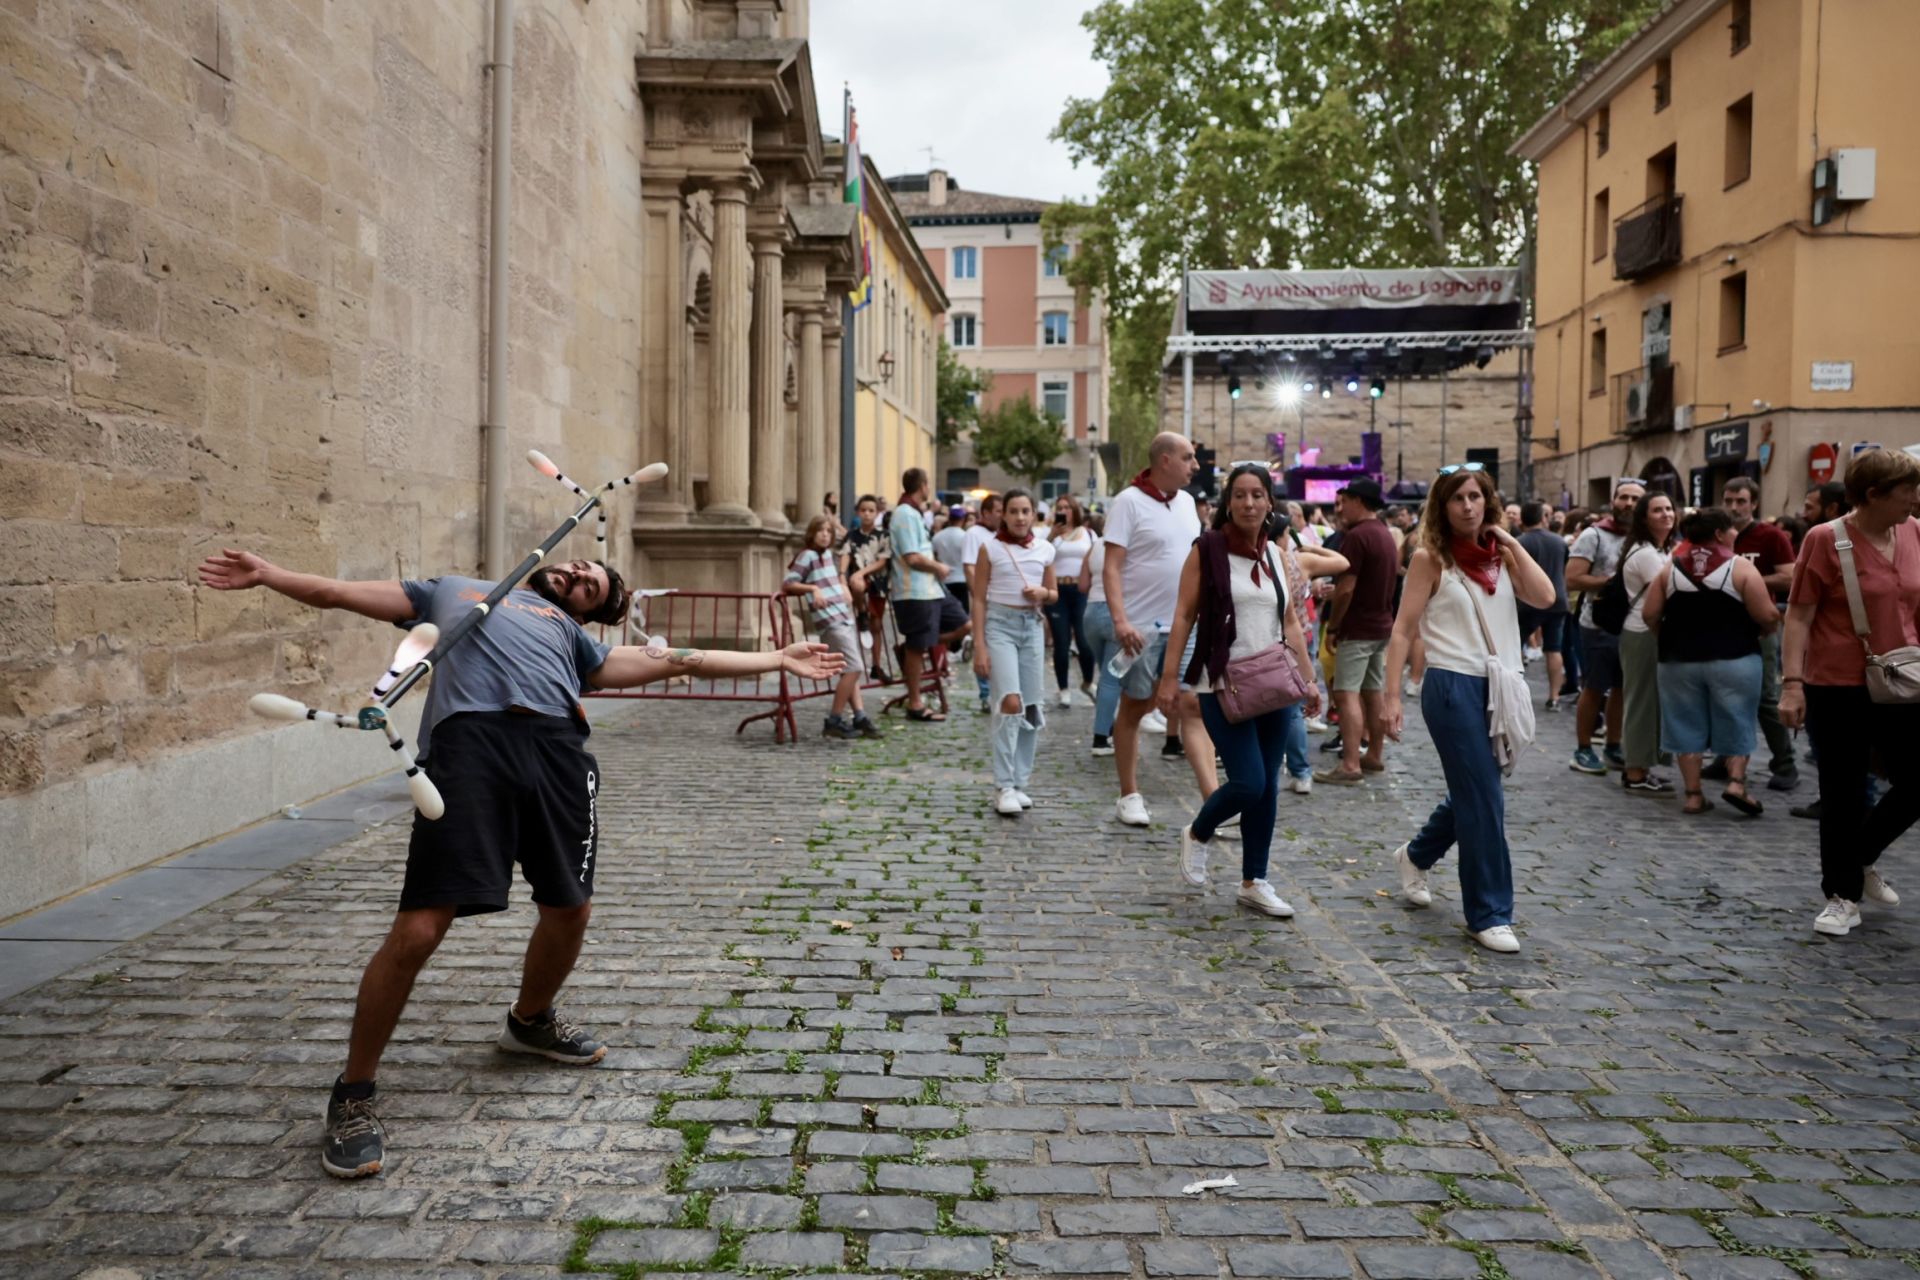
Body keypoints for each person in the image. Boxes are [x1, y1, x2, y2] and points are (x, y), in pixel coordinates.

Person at [196, 546, 841, 1178]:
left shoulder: (576, 642)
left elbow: (685, 659)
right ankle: (354, 1093)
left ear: (584, 614)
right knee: (419, 929)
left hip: (557, 751)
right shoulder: (453, 591)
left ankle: (529, 1024)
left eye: (591, 590)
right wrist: (270, 575)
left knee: (570, 908)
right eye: (584, 568)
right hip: (469, 748)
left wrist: (776, 655)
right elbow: (337, 592)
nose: (581, 576)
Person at [1380, 466, 1556, 953]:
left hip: (1499, 686)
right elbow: (1402, 629)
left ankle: (1415, 856)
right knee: (1484, 797)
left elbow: (1545, 596)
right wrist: (1391, 696)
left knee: (1476, 789)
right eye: (1458, 498)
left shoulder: (1502, 555)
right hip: (1451, 684)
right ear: (1443, 505)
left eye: (1477, 496)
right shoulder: (1430, 558)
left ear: (1489, 502)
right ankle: (1489, 913)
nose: (1468, 506)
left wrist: (1512, 543)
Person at [1157, 465, 1324, 915]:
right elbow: (1182, 616)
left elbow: (1290, 621)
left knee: (1267, 787)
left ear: (1270, 502)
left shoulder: (1273, 553)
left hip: (1273, 684)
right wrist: (1170, 679)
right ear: (1228, 502)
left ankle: (1255, 881)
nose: (1249, 503)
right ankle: (1198, 831)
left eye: (1258, 495)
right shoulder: (1207, 550)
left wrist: (1307, 680)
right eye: (1240, 495)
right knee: (1248, 782)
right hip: (1221, 684)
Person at [1780, 449, 1920, 936]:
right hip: (1836, 684)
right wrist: (1792, 685)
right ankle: (1842, 896)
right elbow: (1798, 615)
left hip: (1904, 681)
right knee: (1842, 792)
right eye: (1908, 490)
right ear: (1874, 495)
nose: (1915, 498)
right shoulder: (1826, 538)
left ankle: (1859, 857)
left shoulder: (1914, 533)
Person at [1641, 508, 1777, 817]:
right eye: (1731, 531)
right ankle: (1736, 785)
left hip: (1678, 661)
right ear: (1719, 534)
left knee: (1683, 723)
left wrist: (1668, 635)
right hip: (1736, 658)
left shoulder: (1670, 568)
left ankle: (1693, 795)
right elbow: (1767, 615)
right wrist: (1769, 630)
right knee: (1738, 717)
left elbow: (1649, 614)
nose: (1734, 535)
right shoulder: (1740, 567)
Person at [1104, 432, 1204, 826]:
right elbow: (1111, 566)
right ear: (1164, 460)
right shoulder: (1128, 502)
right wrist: (1121, 621)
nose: (1195, 465)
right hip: (1141, 630)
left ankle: (1214, 802)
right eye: (1188, 457)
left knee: (1192, 707)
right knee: (1134, 707)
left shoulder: (1189, 503)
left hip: (1186, 625)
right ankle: (1128, 794)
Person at [971, 490, 1059, 815]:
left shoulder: (1045, 549)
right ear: (1002, 515)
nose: (1020, 517)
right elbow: (978, 598)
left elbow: (1054, 594)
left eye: (1026, 511)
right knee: (1010, 701)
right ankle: (1003, 784)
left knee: (1032, 707)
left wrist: (1043, 592)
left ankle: (1021, 782)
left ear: (1034, 514)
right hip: (999, 625)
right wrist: (979, 645)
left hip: (1032, 627)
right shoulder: (990, 548)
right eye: (1013, 511)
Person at [1719, 477, 1800, 791]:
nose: (1734, 507)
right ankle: (1725, 757)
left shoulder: (1770, 536)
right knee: (1726, 697)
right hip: (1725, 629)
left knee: (1766, 698)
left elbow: (1789, 578)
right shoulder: (1719, 535)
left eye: (1740, 501)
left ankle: (1785, 763)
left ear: (1753, 503)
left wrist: (1747, 581)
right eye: (1728, 501)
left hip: (1761, 628)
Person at [1316, 478, 1396, 785]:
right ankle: (1374, 755)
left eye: (1344, 501)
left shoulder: (1357, 536)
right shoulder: (1384, 534)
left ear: (1359, 502)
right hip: (1379, 626)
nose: (1340, 509)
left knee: (1345, 693)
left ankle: (1350, 764)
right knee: (1372, 691)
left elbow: (1347, 589)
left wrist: (1334, 626)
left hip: (1358, 628)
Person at [1566, 479, 1646, 774]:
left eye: (1635, 499)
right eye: (1623, 497)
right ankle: (1583, 748)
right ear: (1613, 501)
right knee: (1595, 687)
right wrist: (1614, 584)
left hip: (1635, 624)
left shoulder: (1645, 537)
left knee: (1622, 688)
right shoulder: (1594, 535)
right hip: (1598, 623)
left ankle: (1613, 745)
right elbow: (1572, 578)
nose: (1628, 503)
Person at [785, 515, 883, 740]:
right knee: (855, 667)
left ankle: (859, 716)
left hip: (844, 616)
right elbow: (789, 583)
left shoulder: (829, 556)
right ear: (812, 533)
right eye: (820, 530)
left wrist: (842, 585)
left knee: (850, 668)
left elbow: (834, 578)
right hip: (829, 620)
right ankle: (834, 719)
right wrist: (812, 589)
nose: (825, 534)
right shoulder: (806, 555)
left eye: (828, 531)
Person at [1616, 491, 1677, 795]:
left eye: (1668, 508)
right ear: (1644, 517)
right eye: (1657, 510)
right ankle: (1635, 771)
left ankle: (1645, 766)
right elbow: (1667, 593)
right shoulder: (1645, 554)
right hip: (1642, 632)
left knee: (1652, 704)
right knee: (1641, 703)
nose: (1666, 514)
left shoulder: (1661, 550)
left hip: (1651, 632)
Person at [888, 469, 961, 722]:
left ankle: (909, 649)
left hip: (931, 590)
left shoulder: (914, 512)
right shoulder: (904, 514)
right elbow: (911, 556)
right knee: (918, 647)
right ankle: (915, 703)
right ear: (923, 486)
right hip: (914, 591)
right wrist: (938, 567)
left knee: (965, 624)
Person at [1515, 502, 1570, 712]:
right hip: (1557, 600)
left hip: (1529, 602)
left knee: (1515, 645)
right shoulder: (1558, 541)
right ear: (1542, 518)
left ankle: (1516, 691)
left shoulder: (1519, 542)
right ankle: (1554, 696)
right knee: (1553, 649)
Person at [1047, 495, 1097, 706]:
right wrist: (1051, 535)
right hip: (1057, 590)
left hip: (1081, 590)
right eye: (1060, 507)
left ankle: (1087, 681)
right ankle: (1063, 688)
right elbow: (1040, 555)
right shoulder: (1049, 535)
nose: (1064, 511)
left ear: (1075, 510)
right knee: (1061, 642)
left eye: (1067, 507)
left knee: (1085, 641)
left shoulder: (1088, 534)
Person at [961, 494, 1006, 714]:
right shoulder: (974, 534)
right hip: (984, 598)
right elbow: (969, 566)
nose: (1001, 514)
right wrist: (979, 595)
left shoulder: (1004, 535)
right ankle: (986, 693)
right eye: (998, 510)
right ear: (986, 513)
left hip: (1002, 598)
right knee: (984, 643)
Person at [842, 494, 892, 682]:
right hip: (859, 582)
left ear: (877, 513)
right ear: (858, 512)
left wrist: (862, 571)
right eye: (863, 510)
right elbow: (845, 554)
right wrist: (842, 574)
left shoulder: (883, 536)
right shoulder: (852, 535)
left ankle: (876, 665)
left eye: (871, 511)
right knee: (856, 584)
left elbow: (882, 561)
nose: (867, 514)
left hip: (878, 582)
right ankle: (861, 612)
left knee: (877, 625)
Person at [1082, 532, 1123, 756]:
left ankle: (1110, 727)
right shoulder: (1130, 544)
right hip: (1115, 610)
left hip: (1090, 612)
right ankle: (1101, 737)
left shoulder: (1095, 544)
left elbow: (1082, 584)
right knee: (1111, 679)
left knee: (1106, 675)